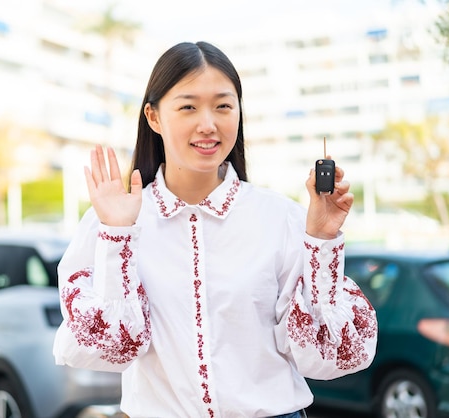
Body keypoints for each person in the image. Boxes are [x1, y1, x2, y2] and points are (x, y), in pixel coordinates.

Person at [53, 41, 378, 418]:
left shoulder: (282, 218)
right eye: (188, 106)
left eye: (223, 105)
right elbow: (108, 350)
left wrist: (322, 240)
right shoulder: (111, 219)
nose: (207, 124)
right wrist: (117, 238)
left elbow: (327, 356)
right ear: (154, 117)